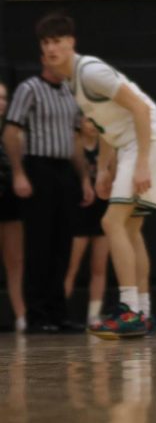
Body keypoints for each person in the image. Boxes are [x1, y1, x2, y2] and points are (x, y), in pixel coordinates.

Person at [38, 13, 156, 339]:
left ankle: (128, 310)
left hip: (147, 140)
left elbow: (139, 108)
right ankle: (143, 311)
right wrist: (105, 168)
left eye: (57, 41)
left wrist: (140, 162)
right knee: (130, 228)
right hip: (131, 143)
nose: (52, 48)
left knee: (111, 222)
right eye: (46, 42)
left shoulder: (91, 72)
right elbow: (108, 126)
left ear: (71, 42)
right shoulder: (71, 81)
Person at [2, 54, 94, 333]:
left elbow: (75, 139)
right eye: (49, 49)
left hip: (65, 169)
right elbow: (10, 133)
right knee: (39, 243)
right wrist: (19, 172)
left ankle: (59, 311)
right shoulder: (29, 88)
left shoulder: (70, 92)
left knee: (62, 244)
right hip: (38, 166)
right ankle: (37, 314)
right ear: (42, 57)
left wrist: (85, 180)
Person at [64, 118, 109, 327]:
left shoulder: (106, 142)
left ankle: (94, 315)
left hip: (102, 211)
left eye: (94, 120)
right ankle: (61, 312)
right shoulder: (73, 142)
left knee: (99, 267)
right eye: (87, 119)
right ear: (79, 121)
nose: (91, 124)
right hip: (78, 210)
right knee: (71, 267)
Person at [0, 82, 27, 332]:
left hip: (9, 198)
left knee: (15, 259)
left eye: (4, 98)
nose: (1, 103)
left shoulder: (13, 132)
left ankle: (21, 315)